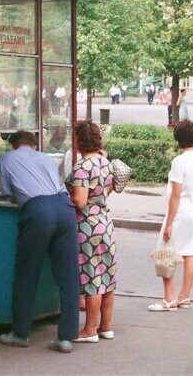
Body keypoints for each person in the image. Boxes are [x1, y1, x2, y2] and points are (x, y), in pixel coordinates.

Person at [0, 130, 79, 354]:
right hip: (65, 208)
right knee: (68, 275)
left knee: (27, 272)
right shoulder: (46, 158)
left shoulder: (6, 158)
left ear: (14, 145)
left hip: (38, 210)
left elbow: (8, 192)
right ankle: (66, 338)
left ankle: (20, 333)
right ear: (33, 145)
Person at [148, 120, 193, 312]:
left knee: (167, 252)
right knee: (190, 252)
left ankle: (168, 299)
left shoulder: (179, 162)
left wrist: (169, 223)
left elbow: (175, 194)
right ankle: (184, 296)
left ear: (177, 139)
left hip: (180, 212)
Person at [67, 121, 117, 343]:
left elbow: (79, 200)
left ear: (79, 140)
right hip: (106, 223)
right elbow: (106, 191)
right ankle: (106, 327)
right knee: (106, 277)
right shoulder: (105, 163)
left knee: (92, 278)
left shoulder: (82, 167)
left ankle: (89, 330)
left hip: (87, 226)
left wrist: (64, 198)